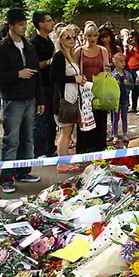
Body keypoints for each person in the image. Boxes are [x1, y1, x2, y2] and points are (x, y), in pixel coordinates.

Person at [0, 8, 44, 193]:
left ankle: (23, 172)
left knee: (27, 139)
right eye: (20, 24)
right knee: (11, 140)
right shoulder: (0, 48)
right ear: (10, 26)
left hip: (29, 99)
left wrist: (40, 100)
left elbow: (37, 75)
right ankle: (6, 179)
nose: (24, 27)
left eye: (24, 23)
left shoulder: (30, 47)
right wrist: (17, 74)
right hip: (12, 100)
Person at [51, 24, 86, 173]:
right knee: (65, 132)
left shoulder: (70, 55)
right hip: (63, 99)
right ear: (60, 40)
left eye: (73, 37)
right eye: (68, 37)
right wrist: (74, 78)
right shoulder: (59, 56)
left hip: (71, 97)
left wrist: (79, 79)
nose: (72, 39)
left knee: (68, 131)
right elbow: (54, 76)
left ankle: (65, 161)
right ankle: (62, 164)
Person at [76, 23, 110, 153]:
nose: (92, 38)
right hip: (84, 90)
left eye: (95, 35)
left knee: (100, 120)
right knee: (85, 119)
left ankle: (100, 148)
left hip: (99, 89)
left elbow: (106, 69)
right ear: (85, 36)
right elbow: (75, 70)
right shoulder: (79, 51)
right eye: (89, 36)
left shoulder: (103, 50)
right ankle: (84, 149)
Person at [29, 11, 57, 157]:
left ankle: (50, 149)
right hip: (41, 87)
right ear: (41, 24)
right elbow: (34, 66)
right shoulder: (33, 43)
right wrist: (49, 62)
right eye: (49, 20)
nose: (53, 23)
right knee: (40, 120)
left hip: (52, 84)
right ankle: (38, 151)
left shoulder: (50, 42)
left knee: (52, 120)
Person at [110, 52, 134, 144]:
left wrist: (128, 84)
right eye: (120, 61)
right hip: (115, 99)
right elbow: (109, 88)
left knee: (124, 117)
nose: (123, 63)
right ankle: (115, 134)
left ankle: (125, 133)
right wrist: (115, 84)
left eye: (124, 61)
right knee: (115, 118)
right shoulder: (112, 74)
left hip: (125, 98)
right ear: (115, 62)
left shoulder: (127, 74)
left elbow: (133, 86)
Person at [125, 30, 139, 115]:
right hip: (130, 69)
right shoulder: (129, 46)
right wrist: (127, 51)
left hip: (138, 69)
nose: (130, 39)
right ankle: (134, 107)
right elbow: (126, 58)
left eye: (132, 37)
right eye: (129, 38)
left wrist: (133, 50)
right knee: (133, 89)